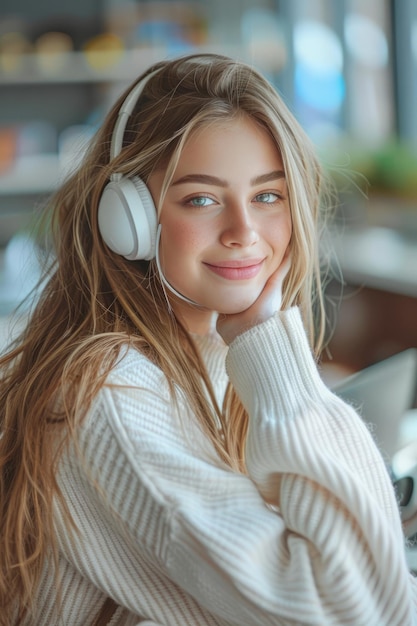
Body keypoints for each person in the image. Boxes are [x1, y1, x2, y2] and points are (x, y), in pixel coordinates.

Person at [0, 53, 415, 626]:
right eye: (201, 198)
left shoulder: (211, 345)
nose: (245, 232)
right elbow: (355, 611)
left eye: (268, 196)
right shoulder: (110, 396)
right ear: (129, 218)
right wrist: (276, 357)